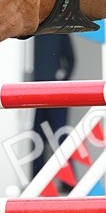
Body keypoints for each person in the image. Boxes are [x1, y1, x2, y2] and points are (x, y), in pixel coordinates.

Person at [30, 34, 76, 180]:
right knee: (37, 138)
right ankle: (37, 181)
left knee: (60, 136)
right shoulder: (31, 34)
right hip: (36, 95)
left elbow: (71, 60)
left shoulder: (61, 32)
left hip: (57, 95)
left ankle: (68, 182)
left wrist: (62, 78)